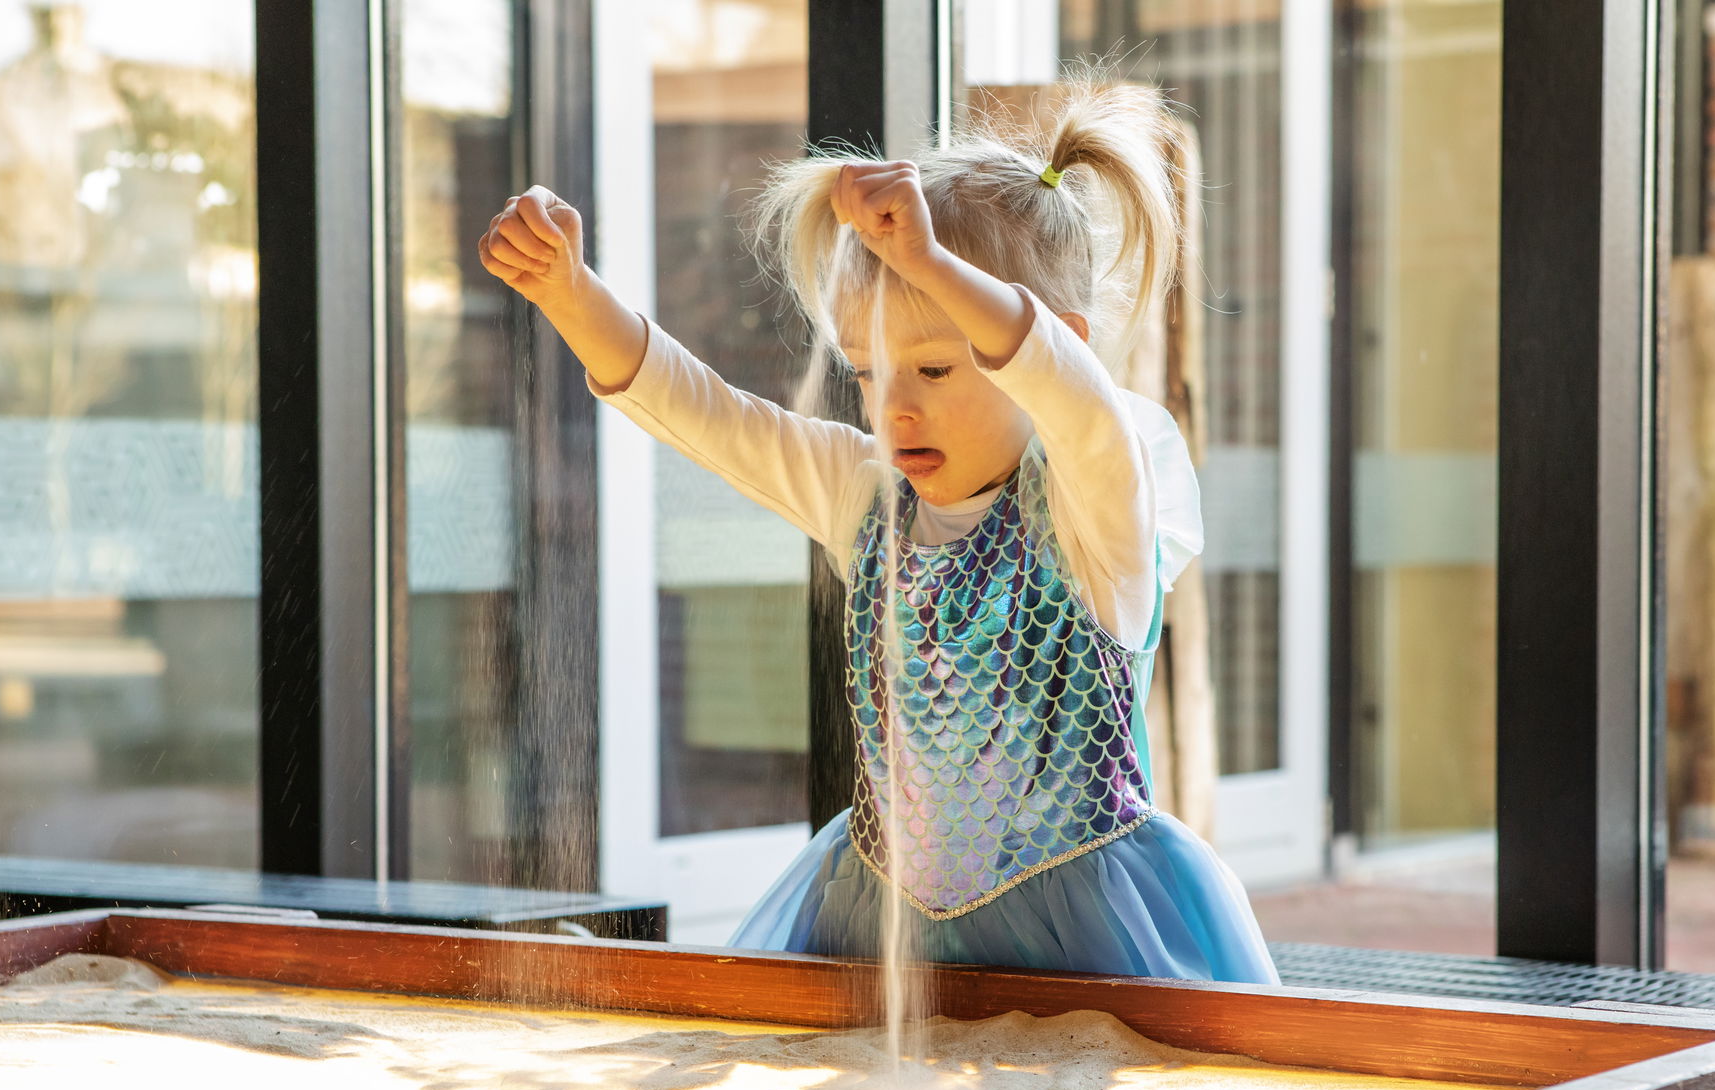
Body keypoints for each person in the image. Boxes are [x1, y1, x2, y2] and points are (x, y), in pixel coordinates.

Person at [478, 77, 1278, 985]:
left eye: (934, 367)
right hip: (874, 913)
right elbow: (708, 416)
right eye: (869, 372)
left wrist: (933, 263)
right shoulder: (864, 497)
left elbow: (1076, 397)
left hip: (1089, 933)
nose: (895, 410)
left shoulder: (1097, 511)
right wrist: (572, 294)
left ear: (1063, 338)